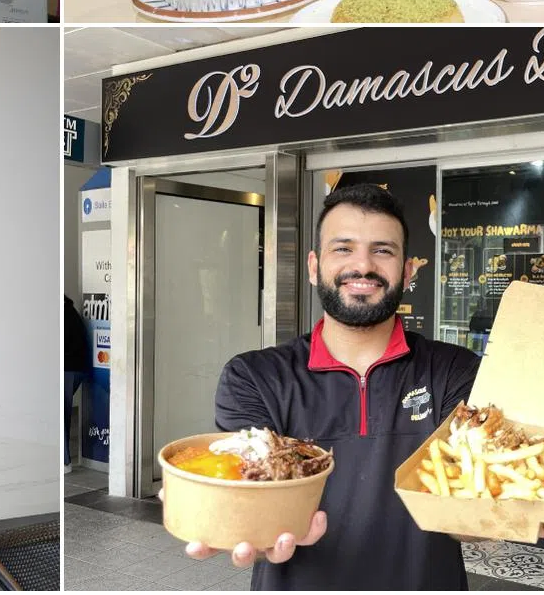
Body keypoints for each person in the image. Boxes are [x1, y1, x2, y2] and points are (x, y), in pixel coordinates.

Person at [182, 183, 479, 590]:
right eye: (343, 248)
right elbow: (247, 487)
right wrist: (233, 517)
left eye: (382, 250)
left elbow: (471, 503)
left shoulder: (454, 371)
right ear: (313, 266)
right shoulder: (255, 377)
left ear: (408, 271)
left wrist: (498, 517)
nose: (363, 265)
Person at [63, 294, 90, 472]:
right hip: (74, 369)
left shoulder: (64, 316)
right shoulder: (70, 312)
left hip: (67, 369)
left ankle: (64, 462)